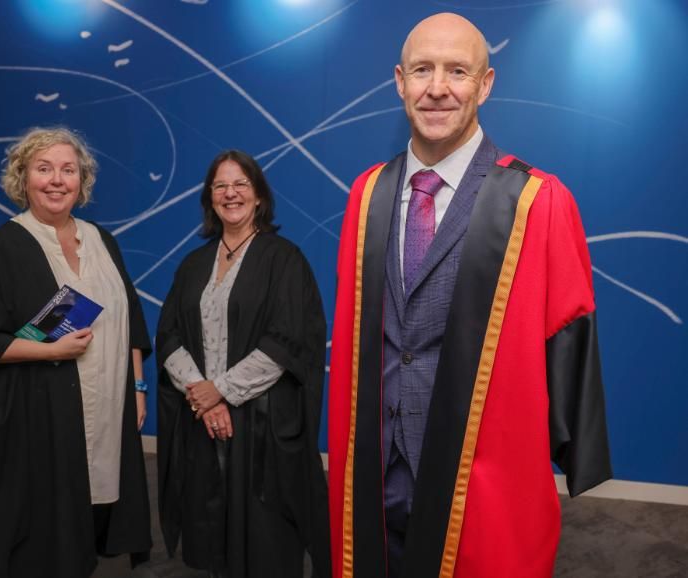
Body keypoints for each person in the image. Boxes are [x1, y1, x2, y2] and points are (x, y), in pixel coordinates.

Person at [327, 13, 612, 578]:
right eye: (422, 70)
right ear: (399, 81)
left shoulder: (536, 201)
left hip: (479, 480)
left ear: (485, 84)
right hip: (377, 473)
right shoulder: (368, 194)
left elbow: (568, 339)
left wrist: (572, 453)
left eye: (457, 71)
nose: (437, 88)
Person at [0, 127, 153, 577]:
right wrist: (49, 351)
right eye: (44, 169)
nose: (57, 180)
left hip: (108, 411)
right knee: (48, 526)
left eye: (68, 170)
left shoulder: (102, 241)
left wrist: (137, 388)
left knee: (100, 507)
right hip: (40, 416)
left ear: (82, 181)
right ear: (23, 178)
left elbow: (130, 319)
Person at [155, 150, 331, 577]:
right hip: (204, 419)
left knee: (265, 537)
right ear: (209, 198)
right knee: (213, 530)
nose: (230, 193)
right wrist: (204, 395)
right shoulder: (194, 264)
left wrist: (223, 391)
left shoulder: (283, 259)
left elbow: (287, 340)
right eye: (220, 186)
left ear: (258, 197)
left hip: (262, 425)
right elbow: (169, 335)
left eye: (240, 185)